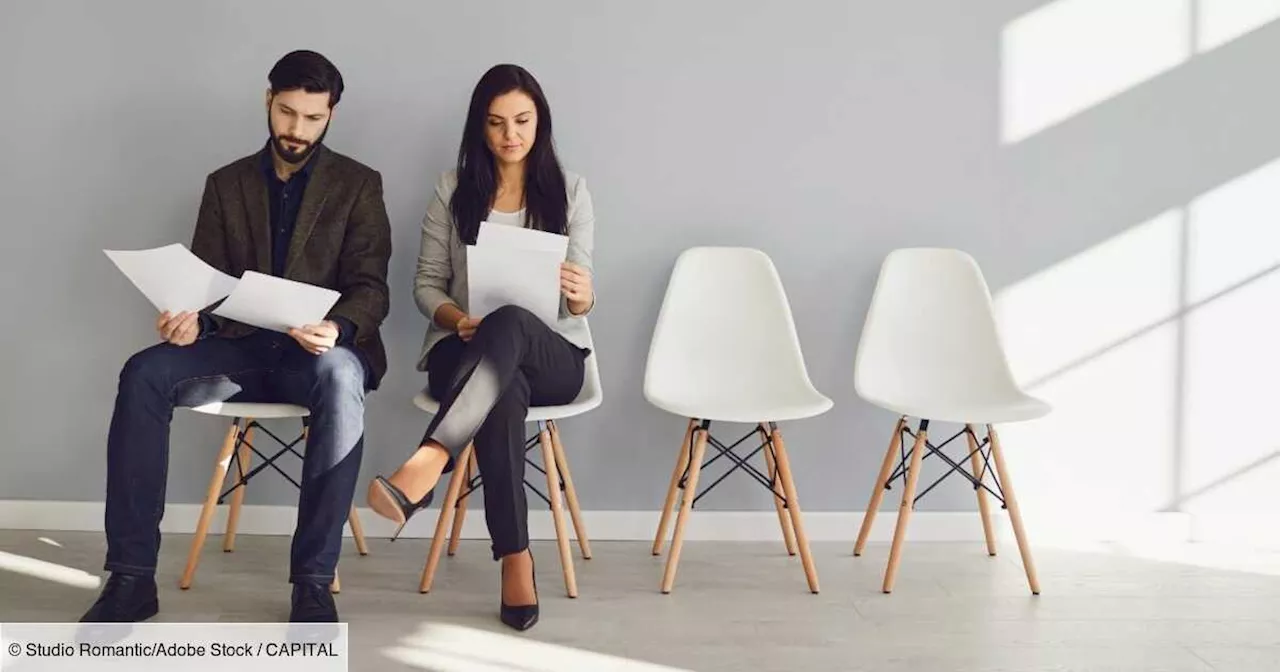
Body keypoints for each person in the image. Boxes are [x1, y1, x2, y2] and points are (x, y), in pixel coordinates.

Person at [80, 50, 392, 625]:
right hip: (241, 349)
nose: (296, 130)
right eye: (286, 113)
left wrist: (338, 328)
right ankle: (130, 578)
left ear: (332, 115)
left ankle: (313, 585)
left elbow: (372, 289)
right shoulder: (225, 185)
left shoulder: (358, 185)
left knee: (343, 375)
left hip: (314, 355)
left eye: (311, 118)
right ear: (267, 100)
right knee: (143, 372)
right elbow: (207, 284)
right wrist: (191, 319)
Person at [366, 64, 596, 632]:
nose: (510, 135)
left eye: (521, 121)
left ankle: (431, 459)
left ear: (540, 122)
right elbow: (425, 285)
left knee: (514, 323)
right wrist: (457, 317)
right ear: (479, 128)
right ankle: (516, 560)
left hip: (553, 357)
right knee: (501, 388)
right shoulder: (453, 189)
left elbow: (577, 303)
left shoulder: (570, 192)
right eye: (496, 123)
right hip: (465, 349)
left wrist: (584, 296)